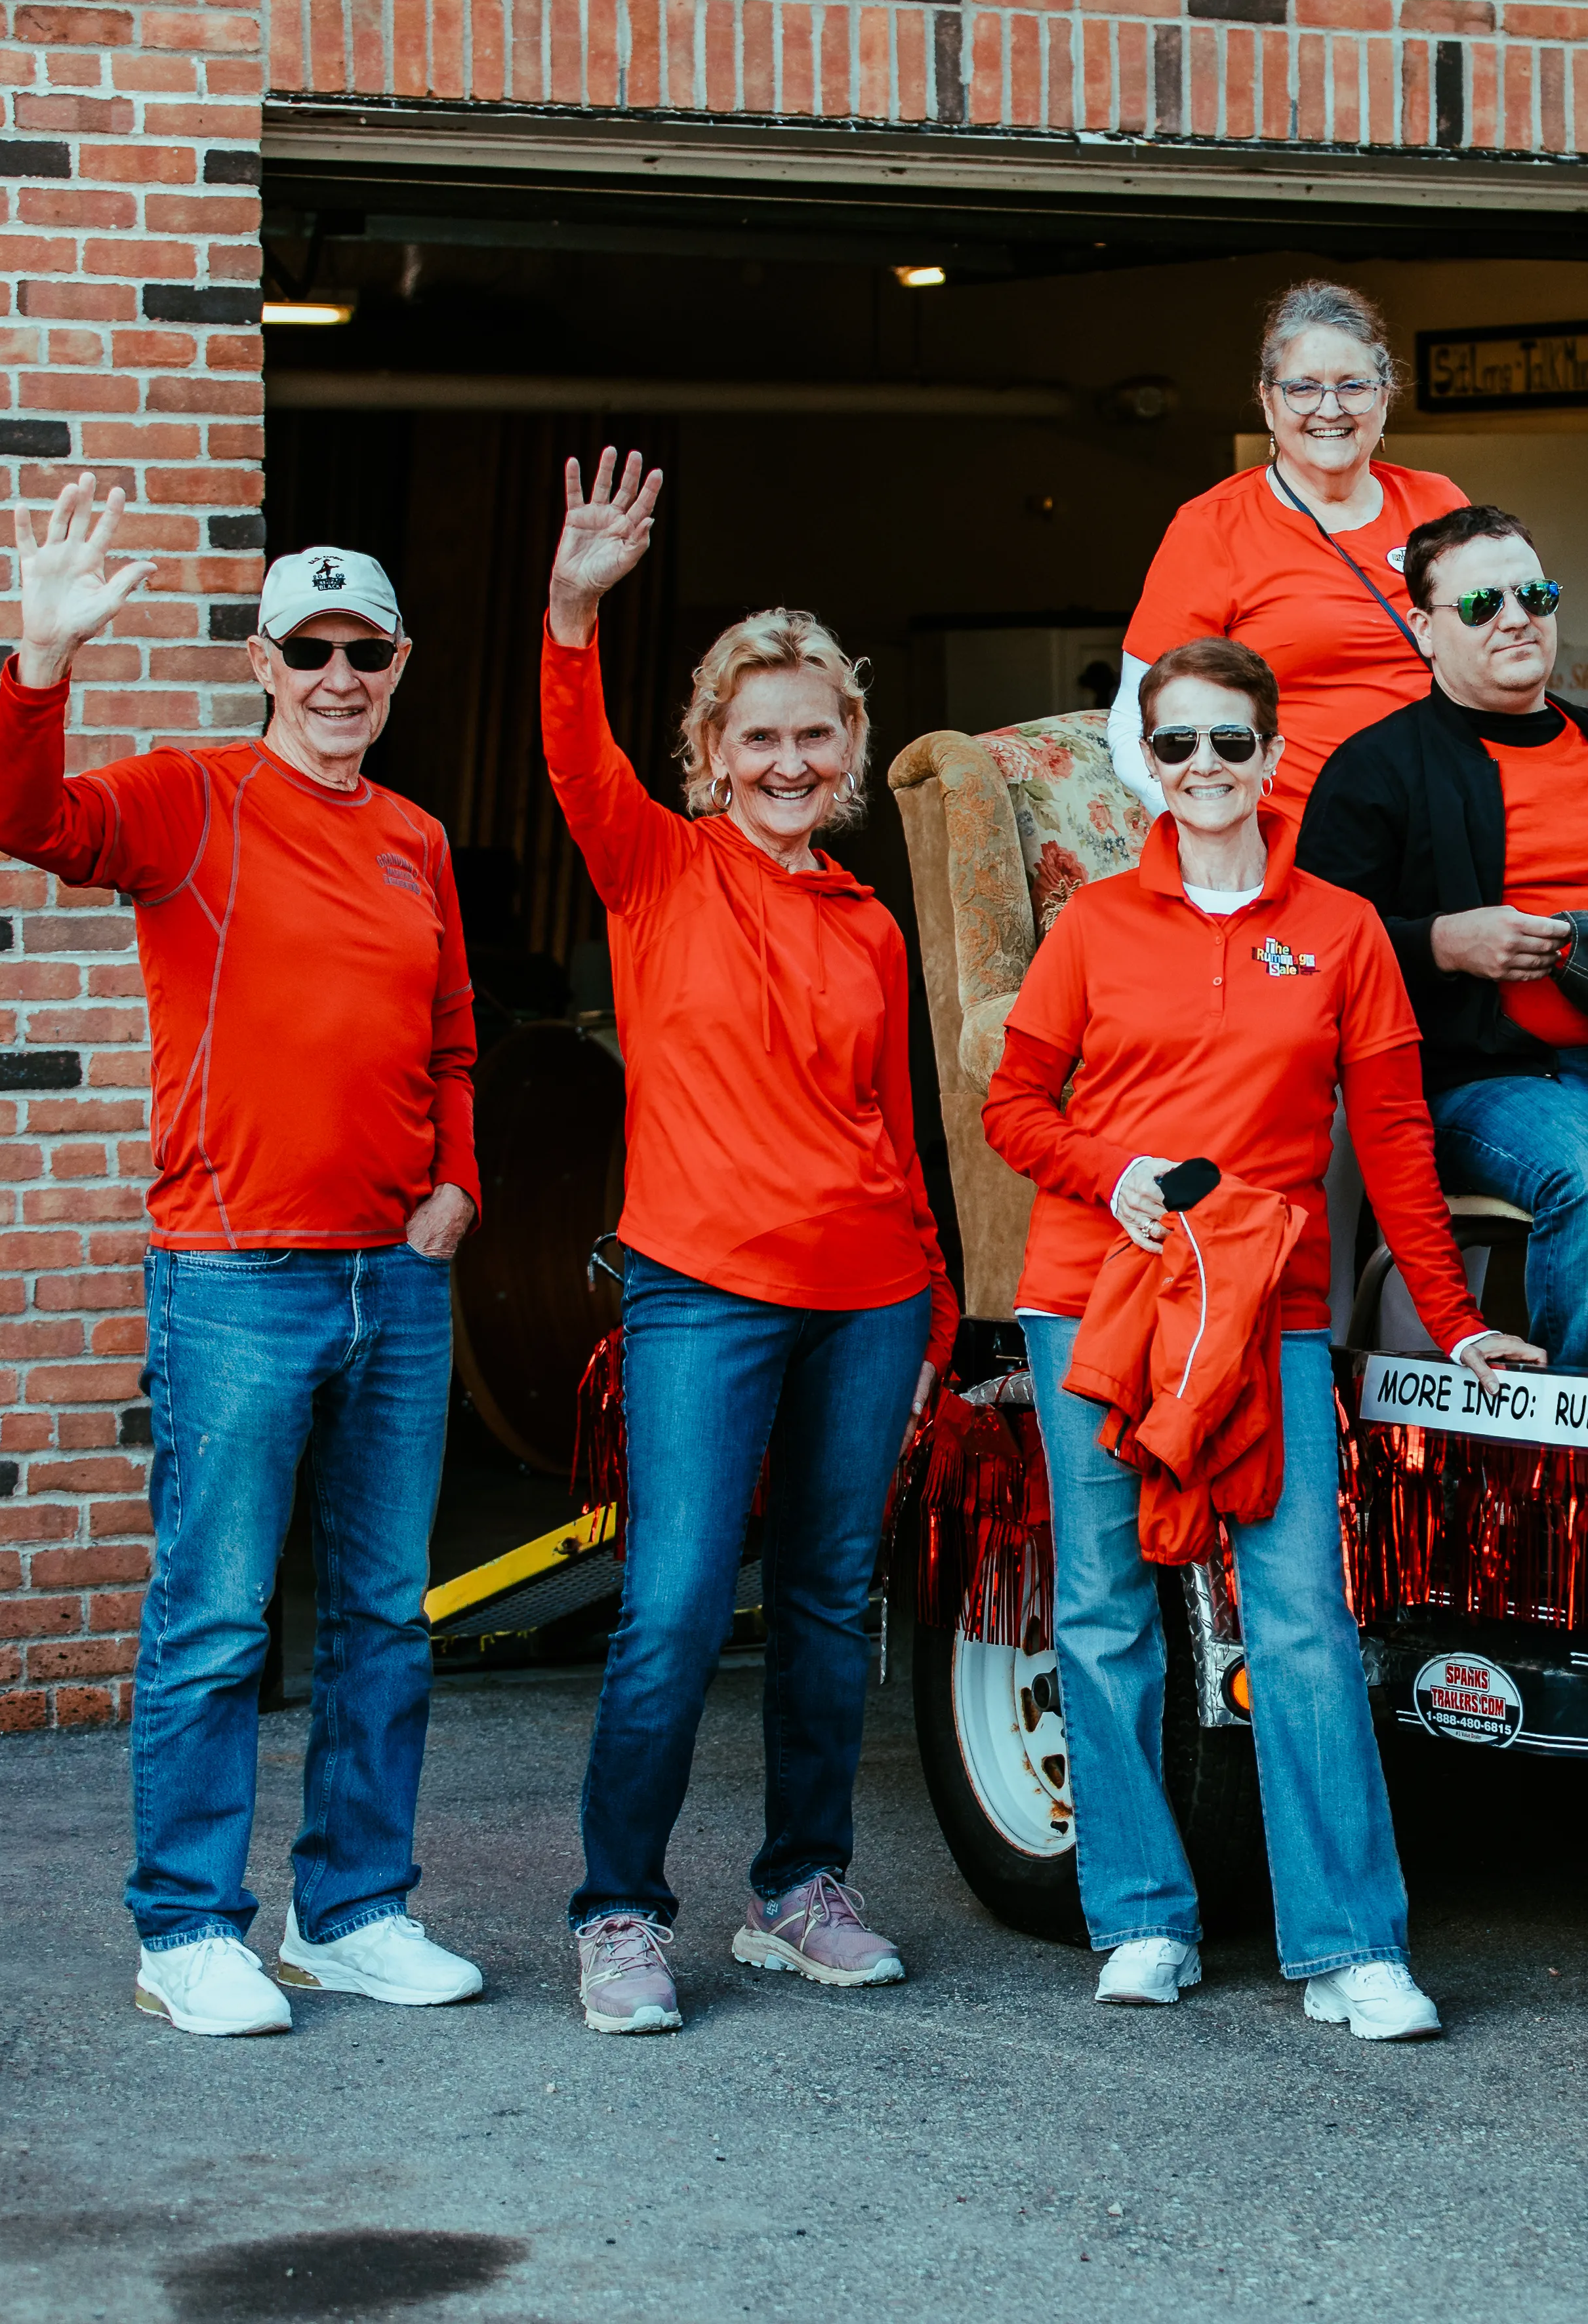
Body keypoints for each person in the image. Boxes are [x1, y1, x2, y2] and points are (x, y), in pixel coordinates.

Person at [0, 485, 487, 2037]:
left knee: (385, 1614)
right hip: (234, 1275)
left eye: (367, 651)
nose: (340, 676)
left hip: (392, 1278)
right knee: (212, 1611)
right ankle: (187, 1927)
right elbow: (29, 822)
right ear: (262, 661)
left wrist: (459, 1182)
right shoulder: (192, 795)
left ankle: (351, 1909)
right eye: (310, 648)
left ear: (400, 666)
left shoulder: (416, 837)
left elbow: (453, 1037)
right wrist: (41, 659)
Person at [986, 636, 1542, 2032]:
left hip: (1270, 1308)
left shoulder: (1345, 927)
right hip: (1097, 1300)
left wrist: (1459, 1317)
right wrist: (1106, 1169)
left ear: (1271, 750)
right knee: (1108, 1606)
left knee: (1303, 1617)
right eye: (1177, 747)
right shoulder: (1097, 923)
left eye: (1231, 742)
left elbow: (1401, 1140)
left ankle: (1352, 1943)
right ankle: (1140, 1913)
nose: (1207, 771)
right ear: (1149, 763)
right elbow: (1014, 1107)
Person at [537, 450, 955, 2038]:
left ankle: (799, 1888)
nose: (786, 761)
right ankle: (619, 1909)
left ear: (847, 747)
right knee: (676, 1601)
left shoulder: (867, 916)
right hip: (703, 1287)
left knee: (836, 1600)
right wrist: (576, 605)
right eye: (756, 737)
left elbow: (892, 1124)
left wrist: (931, 1311)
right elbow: (572, 750)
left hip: (867, 1293)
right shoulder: (654, 868)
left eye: (812, 734)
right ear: (708, 753)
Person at [1299, 503, 1588, 1370]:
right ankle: (1576, 1464)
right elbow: (1309, 955)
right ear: (1425, 630)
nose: (1516, 617)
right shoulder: (1377, 768)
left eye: (1534, 594)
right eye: (1482, 605)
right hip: (1478, 1081)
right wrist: (1442, 943)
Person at [1114, 280, 1467, 817]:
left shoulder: (1437, 502)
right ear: (1266, 400)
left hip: (1453, 815)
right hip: (1303, 839)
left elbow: (1500, 650)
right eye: (1302, 388)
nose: (1330, 408)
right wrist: (1216, 832)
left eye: (1354, 386)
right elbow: (1134, 718)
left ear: (1385, 397)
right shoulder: (1213, 526)